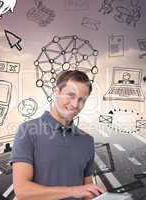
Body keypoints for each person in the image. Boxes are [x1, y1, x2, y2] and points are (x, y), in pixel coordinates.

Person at [11, 70, 105, 200]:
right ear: (56, 92)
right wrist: (73, 191)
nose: (75, 105)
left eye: (82, 100)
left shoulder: (87, 141)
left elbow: (87, 193)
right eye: (71, 96)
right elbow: (22, 191)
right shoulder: (27, 131)